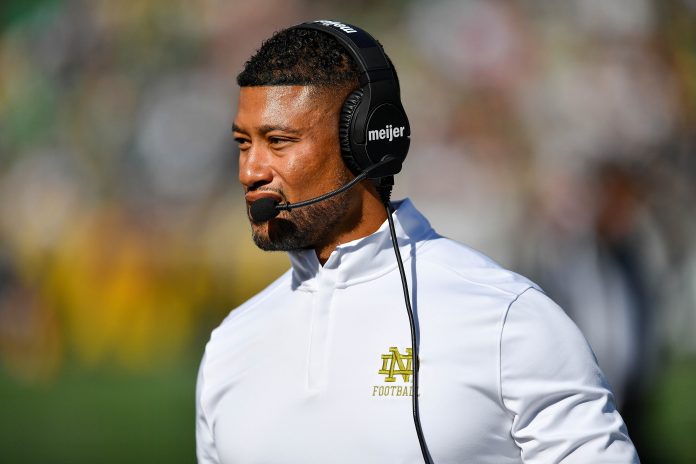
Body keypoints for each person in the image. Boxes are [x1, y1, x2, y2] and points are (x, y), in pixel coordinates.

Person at [196, 20, 639, 463]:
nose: (250, 172)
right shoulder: (229, 346)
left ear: (365, 142)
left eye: (278, 141)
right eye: (242, 143)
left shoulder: (510, 319)